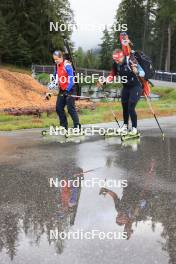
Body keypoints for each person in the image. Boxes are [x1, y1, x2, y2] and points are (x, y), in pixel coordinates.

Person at [97, 49, 145, 136]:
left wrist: (137, 71)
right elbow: (112, 75)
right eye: (114, 59)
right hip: (126, 87)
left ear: (122, 56)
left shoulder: (131, 61)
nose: (116, 61)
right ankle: (125, 126)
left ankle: (134, 128)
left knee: (131, 106)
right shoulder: (116, 64)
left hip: (136, 86)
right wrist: (104, 82)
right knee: (124, 106)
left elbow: (143, 73)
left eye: (117, 59)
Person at [52, 50, 81, 131]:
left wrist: (67, 91)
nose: (55, 61)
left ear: (61, 57)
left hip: (70, 89)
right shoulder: (57, 65)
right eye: (54, 59)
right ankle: (64, 126)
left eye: (57, 59)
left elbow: (72, 80)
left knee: (70, 108)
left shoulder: (67, 65)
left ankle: (77, 126)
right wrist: (53, 82)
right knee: (58, 108)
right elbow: (55, 75)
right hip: (62, 89)